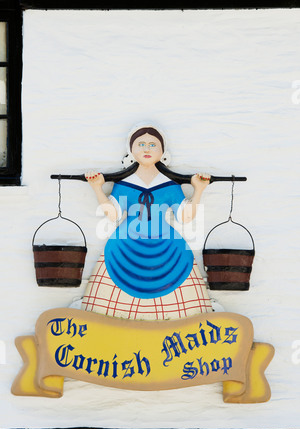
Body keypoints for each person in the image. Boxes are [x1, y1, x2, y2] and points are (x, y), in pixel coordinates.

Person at [81, 123, 213, 320]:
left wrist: (199, 189)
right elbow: (114, 214)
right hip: (125, 246)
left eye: (153, 144)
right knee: (108, 304)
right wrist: (98, 188)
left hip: (168, 246)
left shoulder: (169, 185)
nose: (146, 148)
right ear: (131, 150)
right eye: (141, 144)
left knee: (181, 297)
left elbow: (184, 216)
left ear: (162, 151)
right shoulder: (124, 184)